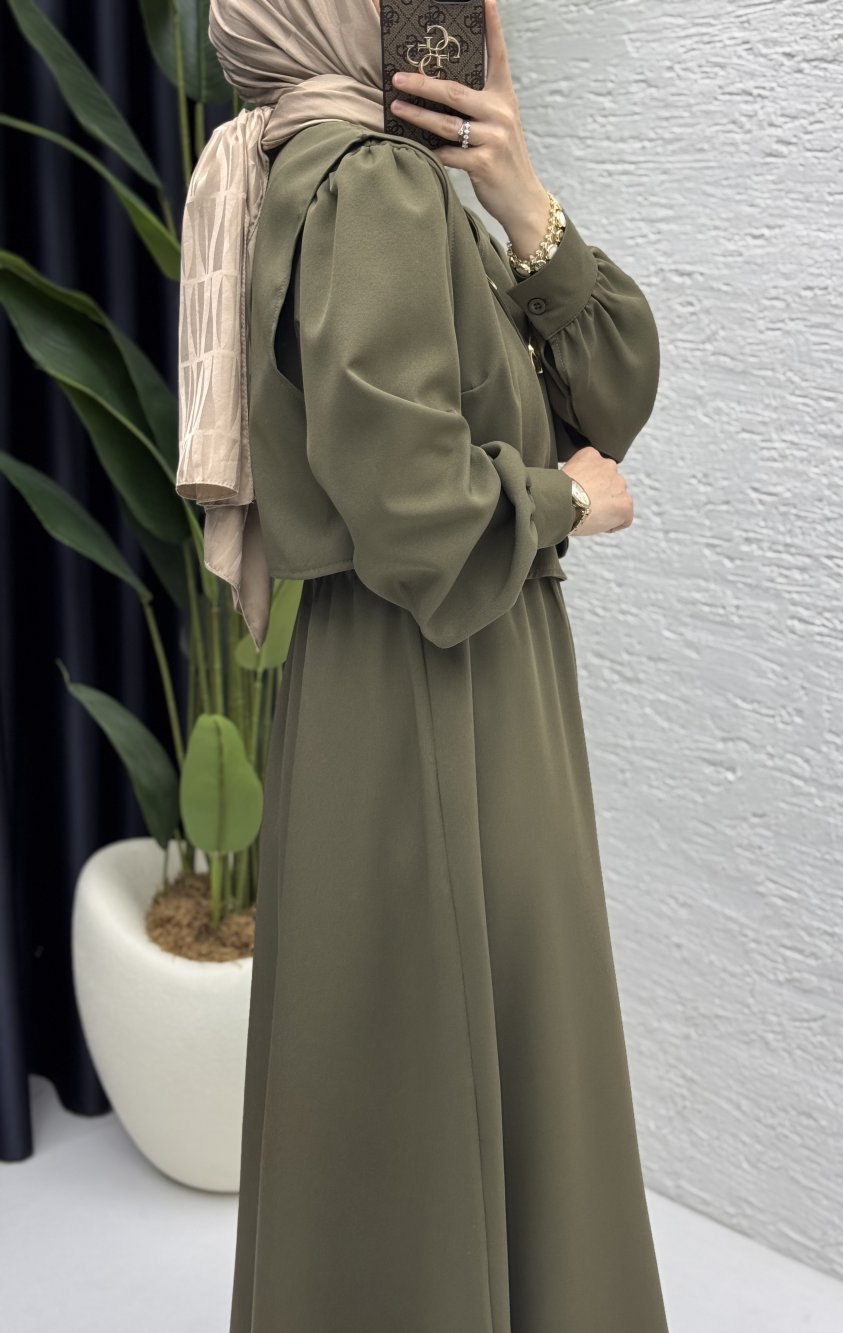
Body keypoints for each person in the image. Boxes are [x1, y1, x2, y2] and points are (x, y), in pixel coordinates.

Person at [175, 2, 668, 1330]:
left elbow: (609, 382)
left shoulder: (311, 168)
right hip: (450, 688)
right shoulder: (375, 185)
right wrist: (570, 500)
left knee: (391, 1092)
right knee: (472, 1076)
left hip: (376, 694)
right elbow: (418, 513)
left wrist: (519, 194)